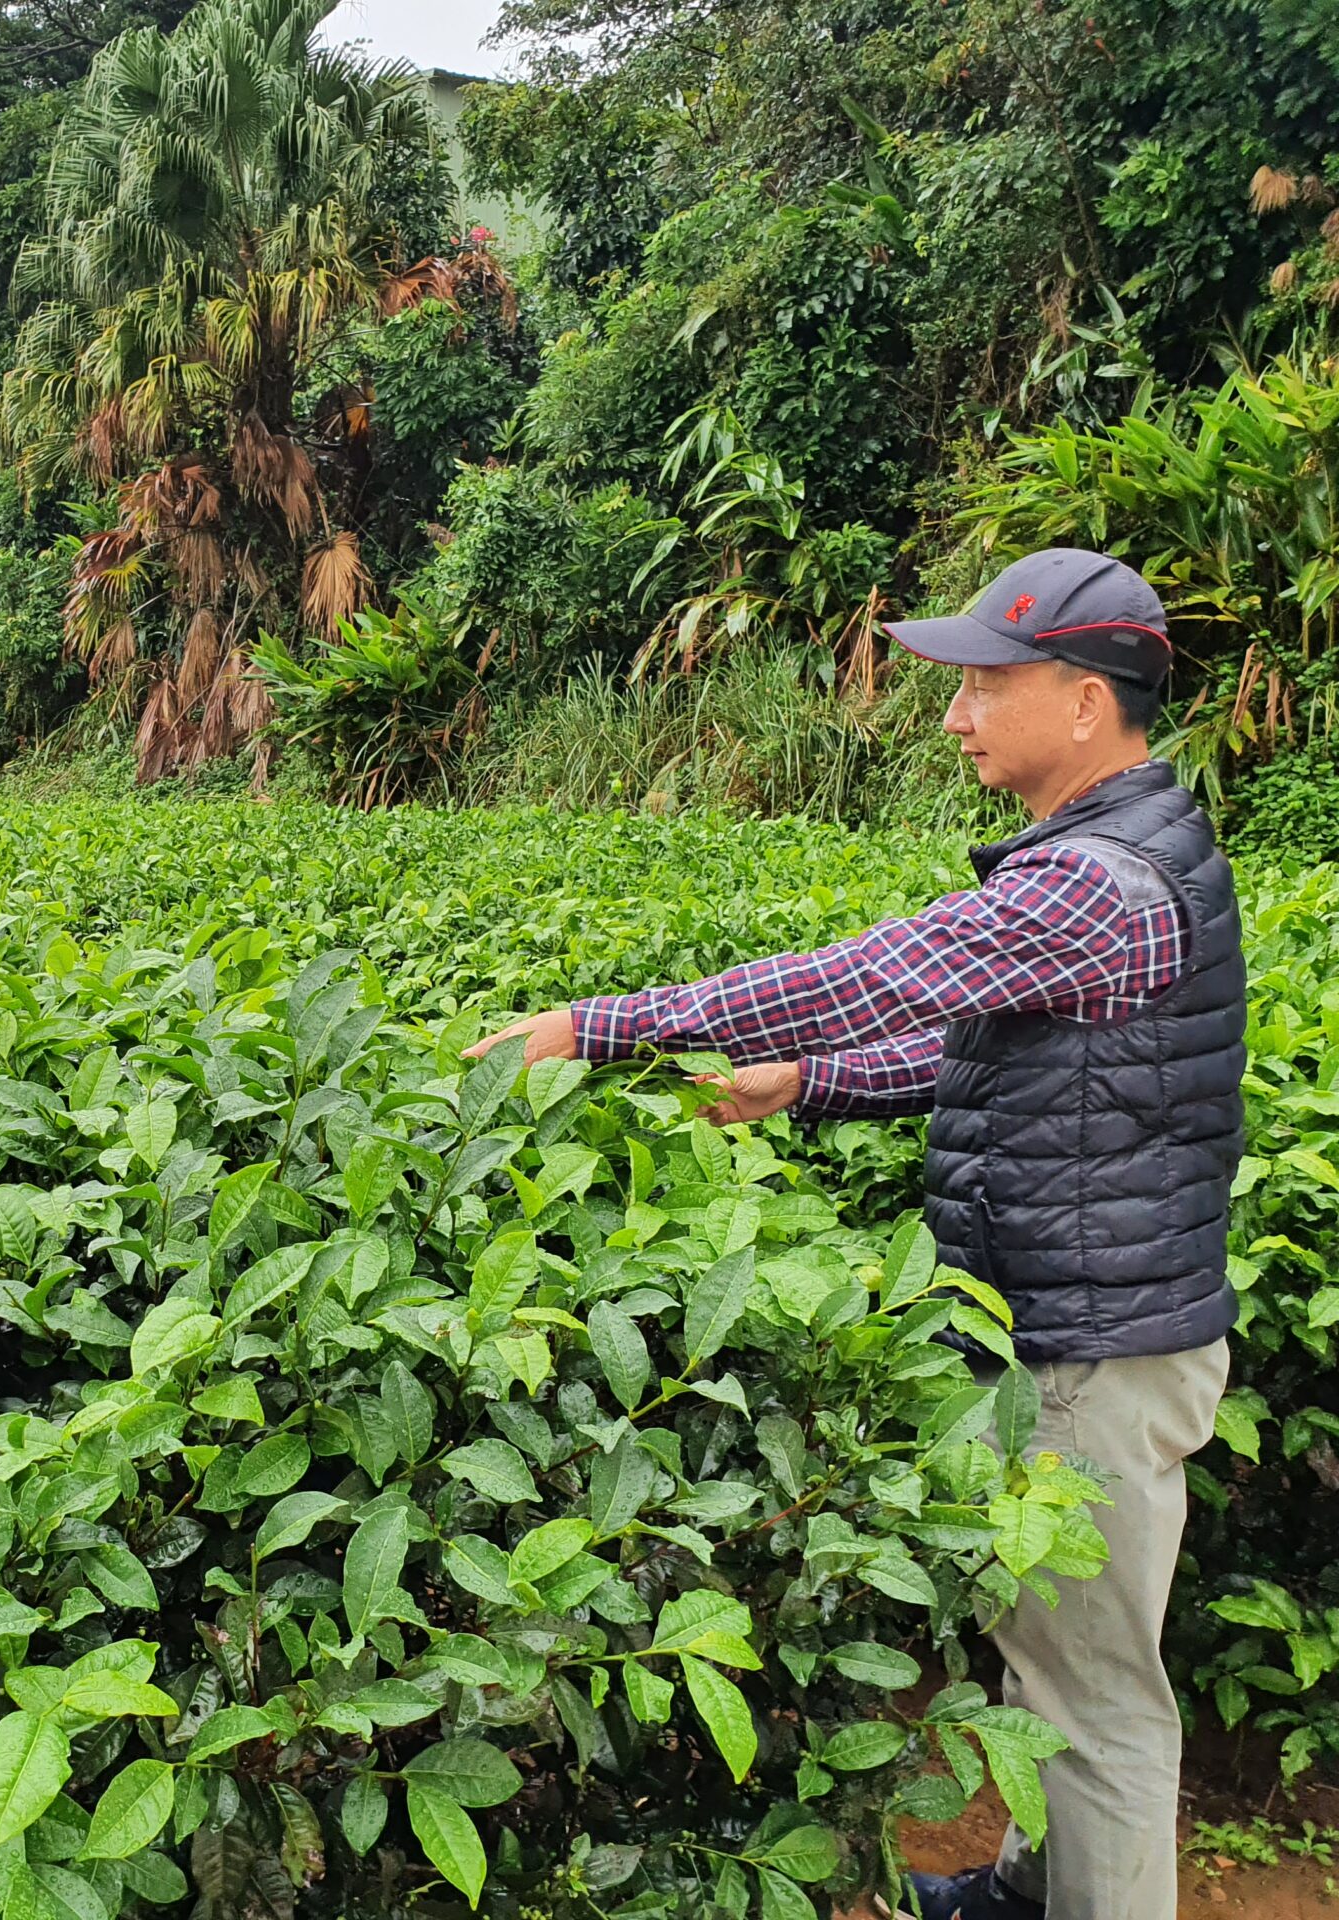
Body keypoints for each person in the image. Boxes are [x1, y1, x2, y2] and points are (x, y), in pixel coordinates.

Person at [474, 548, 1241, 1920]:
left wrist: (594, 1029)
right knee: (1045, 1662)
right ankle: (1030, 1888)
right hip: (1080, 1326)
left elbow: (877, 974)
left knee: (1097, 1692)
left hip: (1091, 1352)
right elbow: (1003, 1047)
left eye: (982, 687)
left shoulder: (1100, 883)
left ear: (1080, 703)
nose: (952, 717)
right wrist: (805, 1084)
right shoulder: (1114, 855)